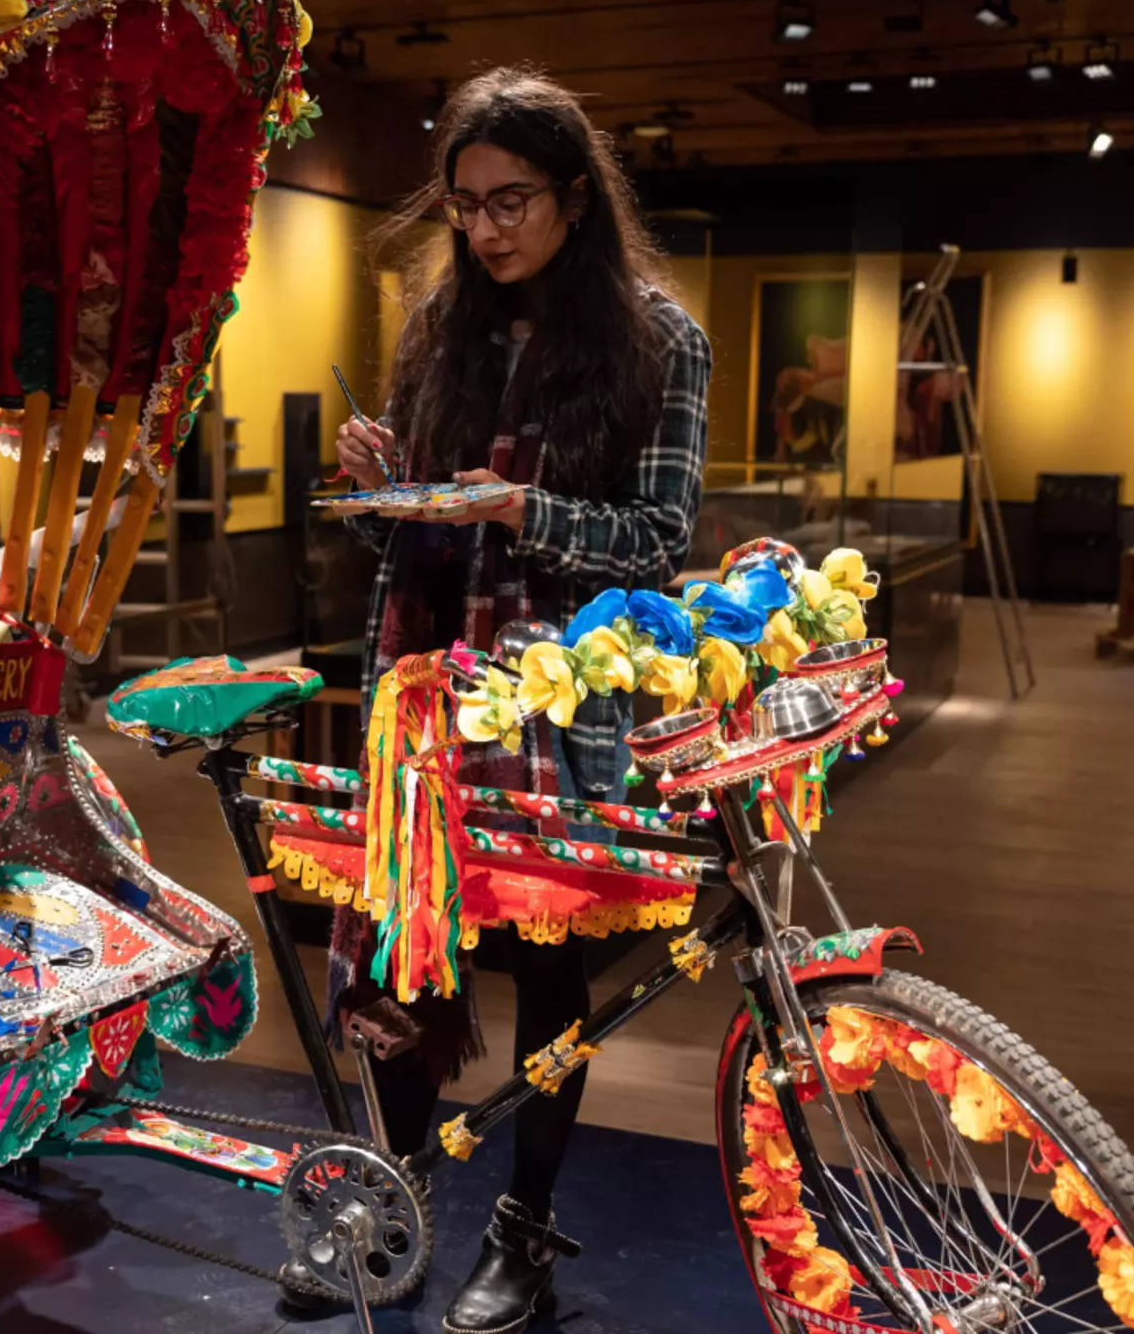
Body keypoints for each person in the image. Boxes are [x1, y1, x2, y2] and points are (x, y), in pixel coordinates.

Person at [325, 67, 710, 1334]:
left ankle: (524, 1228)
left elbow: (657, 543)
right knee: (399, 951)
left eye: (511, 202)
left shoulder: (660, 338)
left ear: (575, 199)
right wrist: (385, 477)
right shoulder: (441, 329)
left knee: (549, 979)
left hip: (557, 701)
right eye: (465, 204)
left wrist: (517, 507)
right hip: (425, 687)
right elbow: (398, 536)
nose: (486, 230)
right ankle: (390, 1203)